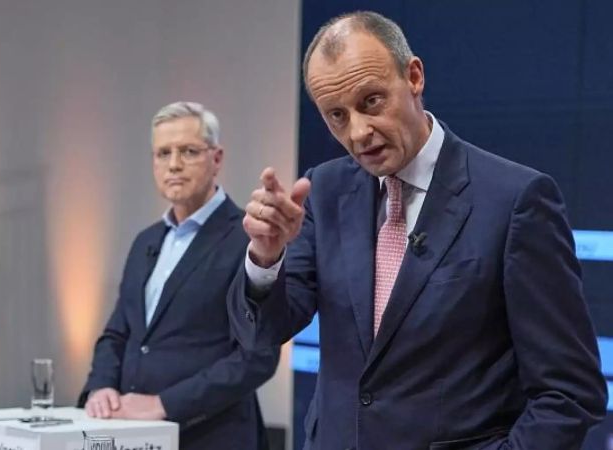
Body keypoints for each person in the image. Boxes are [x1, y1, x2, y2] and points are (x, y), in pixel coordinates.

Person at [228, 11, 607, 450]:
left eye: (371, 101)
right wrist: (265, 258)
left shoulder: (516, 200)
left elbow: (570, 393)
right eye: (336, 115)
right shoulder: (326, 189)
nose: (358, 132)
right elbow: (261, 335)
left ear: (413, 76)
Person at [80, 101, 279, 450]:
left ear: (216, 159)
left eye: (188, 151)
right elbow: (118, 333)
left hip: (213, 438)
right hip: (134, 437)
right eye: (163, 153)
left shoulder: (249, 238)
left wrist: (164, 404)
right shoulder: (146, 241)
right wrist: (101, 387)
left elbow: (257, 357)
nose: (173, 164)